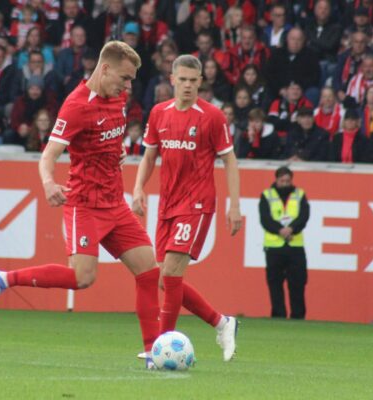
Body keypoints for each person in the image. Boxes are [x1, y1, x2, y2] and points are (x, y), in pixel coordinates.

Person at [0, 41, 164, 369]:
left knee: (149, 270)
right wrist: (49, 183)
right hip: (84, 205)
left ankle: (153, 353)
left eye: (132, 80)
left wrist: (116, 152)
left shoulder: (118, 97)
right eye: (124, 78)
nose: (128, 86)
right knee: (83, 278)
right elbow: (48, 155)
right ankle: (3, 279)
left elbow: (108, 138)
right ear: (104, 69)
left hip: (114, 203)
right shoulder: (76, 105)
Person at [133, 54, 241, 362]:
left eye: (194, 81)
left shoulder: (213, 117)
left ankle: (159, 348)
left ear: (201, 82)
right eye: (182, 80)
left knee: (172, 273)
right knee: (165, 278)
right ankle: (222, 322)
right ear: (172, 80)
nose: (188, 86)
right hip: (167, 204)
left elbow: (229, 161)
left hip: (197, 203)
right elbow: (149, 156)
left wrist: (235, 206)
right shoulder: (158, 113)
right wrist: (139, 187)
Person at [258, 166, 310, 319]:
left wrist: (292, 229)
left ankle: (298, 316)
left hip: (295, 245)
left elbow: (304, 216)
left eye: (288, 181)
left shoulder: (299, 195)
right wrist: (280, 230)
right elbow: (265, 219)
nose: (285, 183)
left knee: (298, 283)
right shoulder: (267, 195)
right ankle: (278, 315)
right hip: (274, 246)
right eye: (282, 181)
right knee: (275, 283)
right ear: (276, 180)